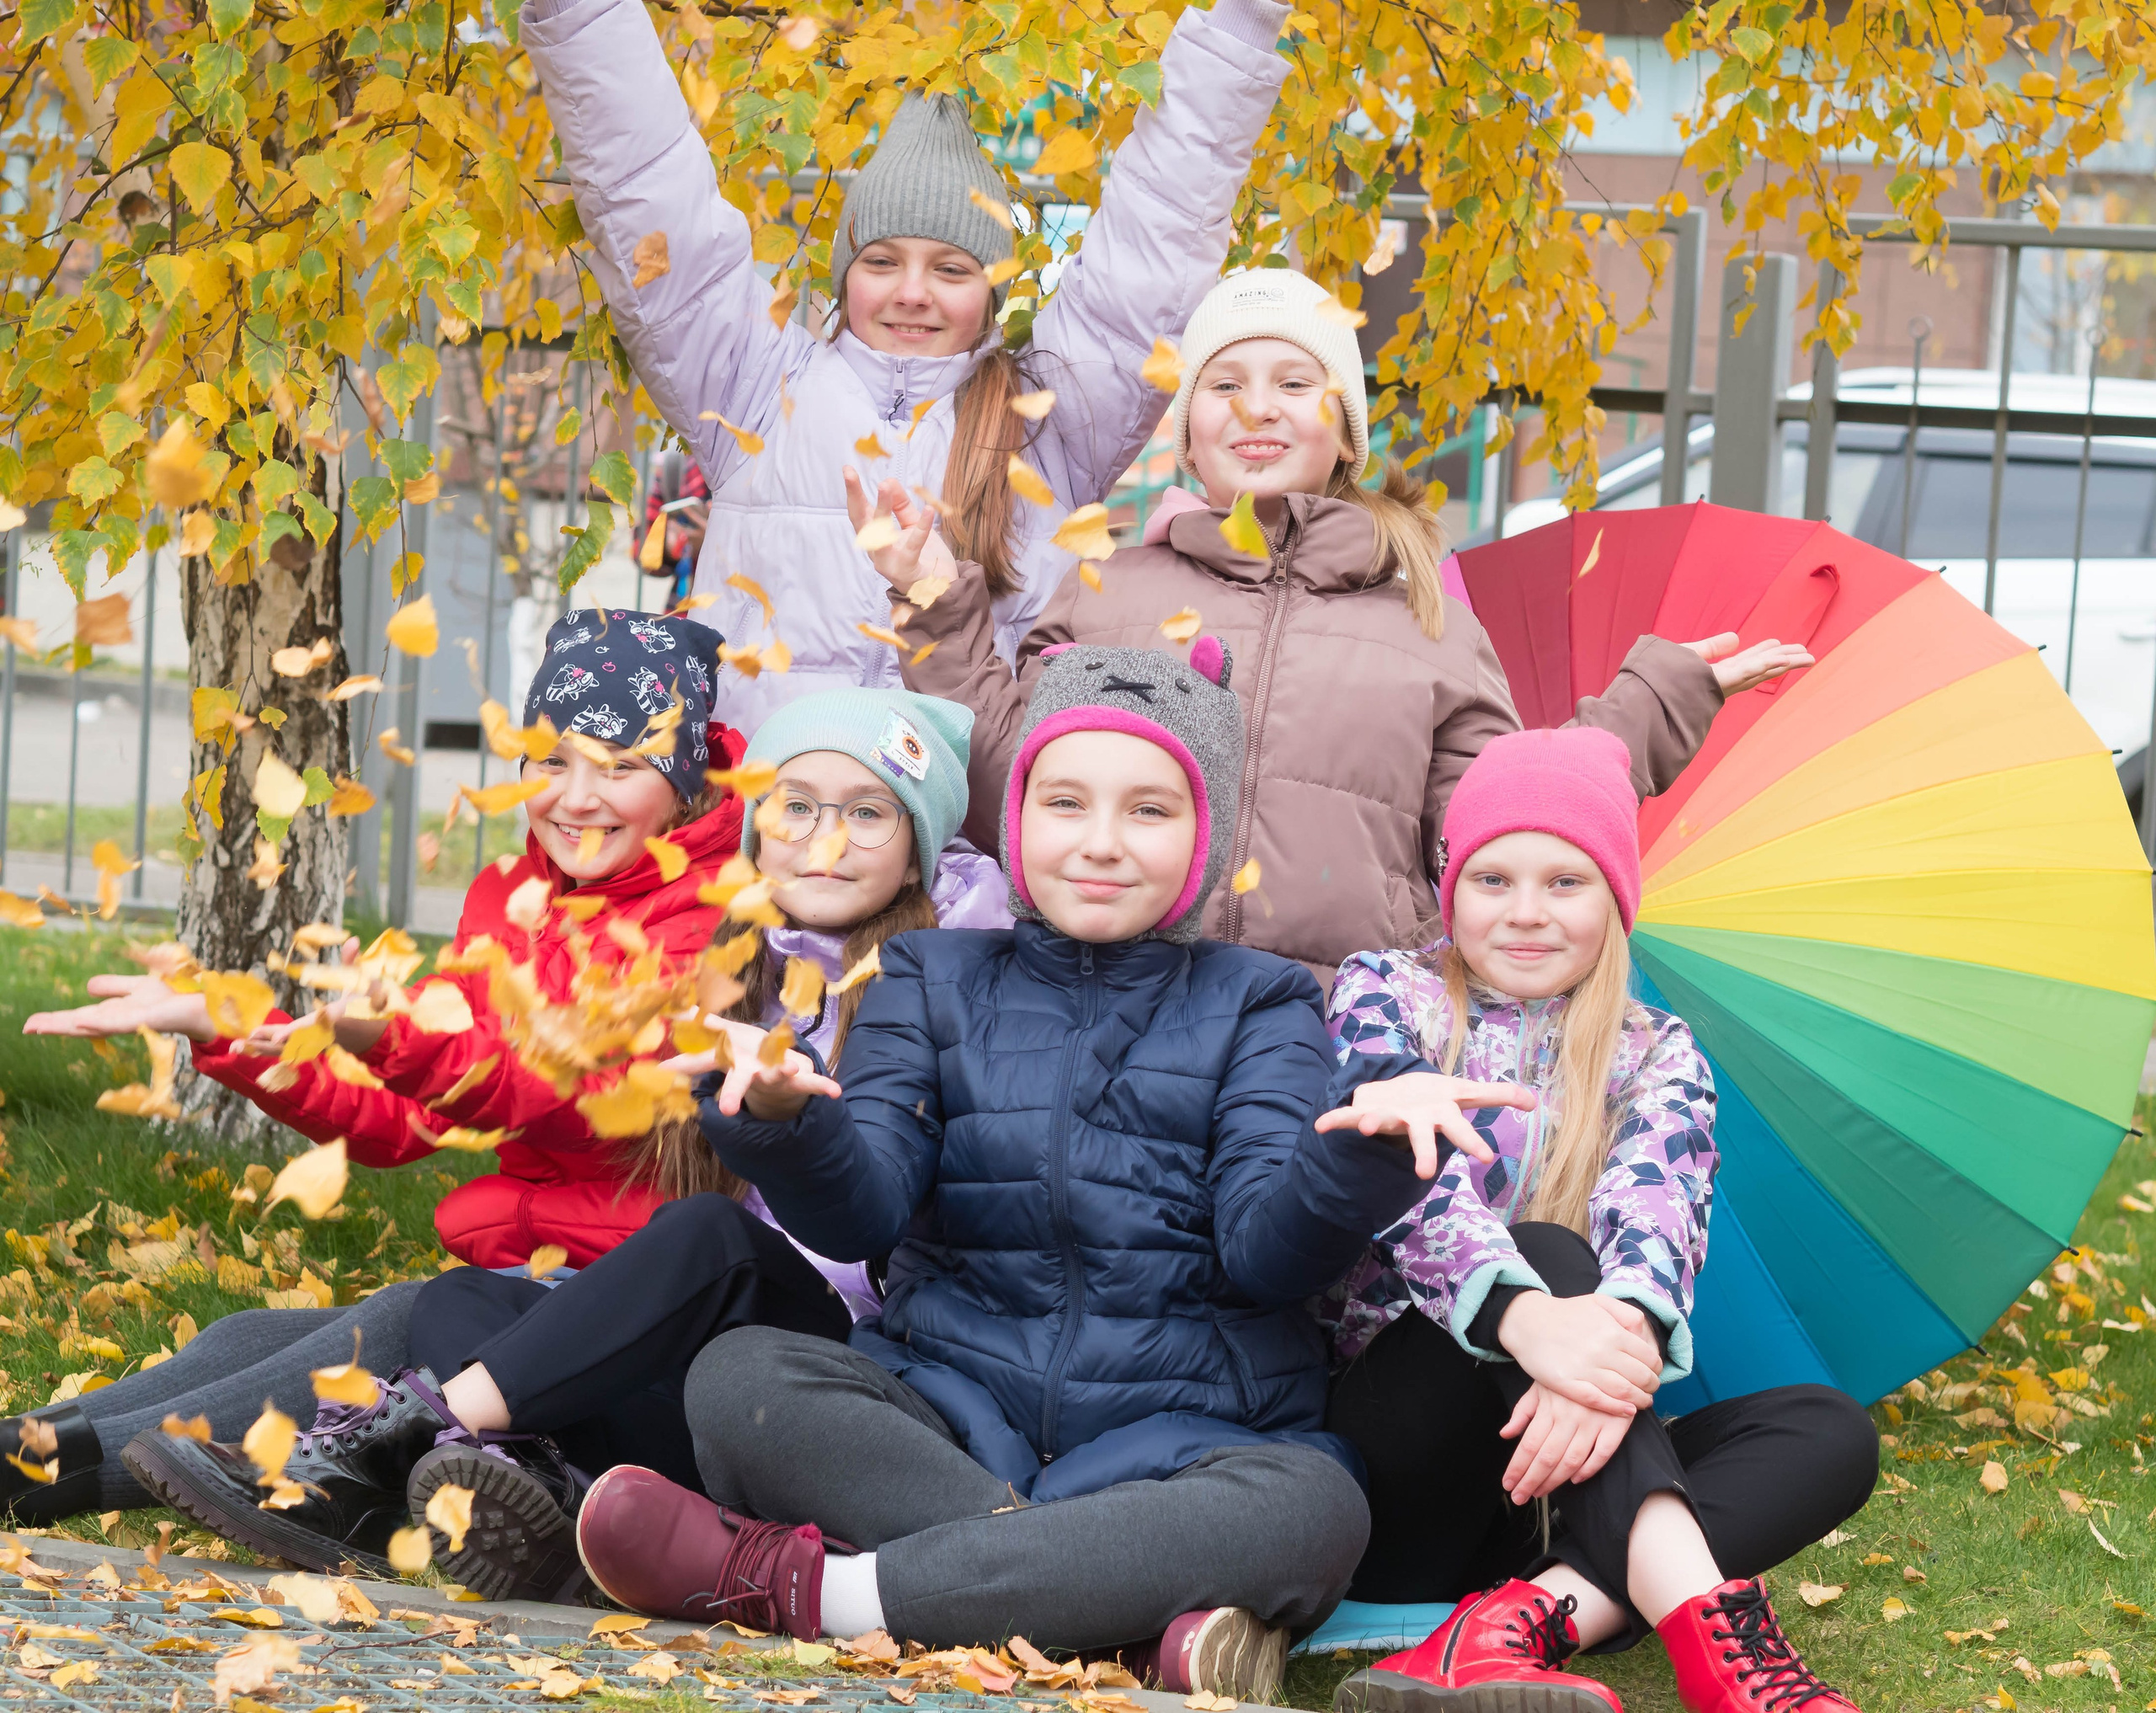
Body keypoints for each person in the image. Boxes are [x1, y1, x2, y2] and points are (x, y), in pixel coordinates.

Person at [552, 638, 1492, 1702]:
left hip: (1189, 1443)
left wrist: (1360, 1163)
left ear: (1205, 837)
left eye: (1149, 810)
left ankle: (805, 1589)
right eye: (1064, 803)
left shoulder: (1263, 1000)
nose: (1100, 844)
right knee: (744, 1378)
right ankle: (1115, 1621)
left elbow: (1265, 1256)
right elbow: (866, 1211)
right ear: (1015, 819)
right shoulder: (928, 972)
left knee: (1314, 1508)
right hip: (946, 1416)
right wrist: (778, 1125)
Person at [118, 692, 1012, 1599]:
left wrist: (794, 1119)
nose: (825, 840)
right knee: (463, 1302)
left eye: (867, 813)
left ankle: (383, 1455)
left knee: (713, 1235)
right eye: (797, 807)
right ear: (756, 831)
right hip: (700, 1375)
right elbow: (497, 1085)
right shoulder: (727, 969)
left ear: (916, 854)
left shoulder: (946, 989)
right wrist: (255, 1026)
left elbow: (877, 1216)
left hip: (829, 1367)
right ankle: (556, 1515)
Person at [11, 610, 744, 1533]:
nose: (576, 796)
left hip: (641, 1327)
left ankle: (49, 1476)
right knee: (255, 1335)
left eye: (622, 766)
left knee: (400, 1324)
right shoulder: (514, 905)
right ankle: (25, 1443)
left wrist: (390, 1036)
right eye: (552, 760)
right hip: (530, 1280)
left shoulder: (711, 925)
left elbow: (551, 1088)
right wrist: (233, 1027)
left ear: (685, 783)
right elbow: (405, 1121)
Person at [876, 267, 1814, 980]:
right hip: (1107, 1016)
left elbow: (1492, 830)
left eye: (1294, 382)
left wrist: (1646, 713)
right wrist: (931, 601)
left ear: (1344, 427)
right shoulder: (1106, 591)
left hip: (1329, 1045)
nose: (1256, 408)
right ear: (1190, 426)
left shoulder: (1427, 619)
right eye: (1224, 383)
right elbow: (1010, 791)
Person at [521, 0, 1307, 730]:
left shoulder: (1051, 420)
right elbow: (650, 197)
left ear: (991, 293)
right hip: (774, 840)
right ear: (845, 273)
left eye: (954, 270)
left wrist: (1241, 23)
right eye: (882, 260)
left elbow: (1155, 238)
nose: (912, 294)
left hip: (970, 860)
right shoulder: (755, 388)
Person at [1316, 727, 1879, 1713]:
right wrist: (1536, 1324)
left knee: (1826, 1429)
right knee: (1540, 1250)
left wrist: (1592, 1361)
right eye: (1493, 880)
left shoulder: (1657, 1050)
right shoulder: (1381, 995)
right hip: (1402, 1449)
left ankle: (1513, 1622)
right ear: (1453, 886)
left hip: (1557, 1482)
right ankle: (1715, 1639)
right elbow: (1411, 1199)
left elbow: (1657, 1226)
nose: (1526, 914)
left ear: (1613, 900)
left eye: (1564, 883)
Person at [643, 449, 709, 610]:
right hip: (684, 608)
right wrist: (669, 545)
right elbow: (642, 550)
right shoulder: (677, 466)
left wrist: (714, 543)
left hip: (748, 608)